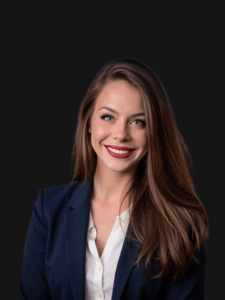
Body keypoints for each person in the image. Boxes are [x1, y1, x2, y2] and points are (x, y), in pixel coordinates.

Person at [20, 57, 209, 300]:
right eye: (108, 117)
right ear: (89, 121)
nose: (120, 134)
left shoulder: (181, 224)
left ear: (154, 133)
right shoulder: (48, 210)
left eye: (138, 122)